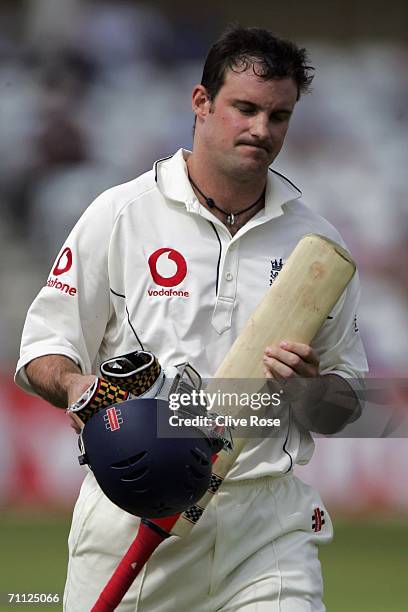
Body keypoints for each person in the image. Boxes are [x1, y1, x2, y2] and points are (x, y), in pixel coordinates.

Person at [16, 25, 368, 611]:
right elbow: (41, 351)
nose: (261, 129)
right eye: (245, 108)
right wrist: (85, 390)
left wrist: (309, 393)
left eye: (278, 116)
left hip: (265, 525)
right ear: (201, 103)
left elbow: (351, 401)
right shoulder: (122, 214)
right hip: (132, 511)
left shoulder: (317, 247)